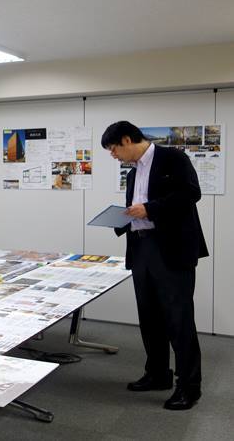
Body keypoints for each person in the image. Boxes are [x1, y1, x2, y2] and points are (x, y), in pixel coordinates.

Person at [102, 121, 208, 410]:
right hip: (142, 249)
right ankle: (158, 374)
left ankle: (189, 387)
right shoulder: (134, 173)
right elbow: (137, 209)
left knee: (179, 320)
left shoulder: (173, 158)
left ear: (126, 140)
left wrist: (150, 208)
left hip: (171, 251)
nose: (113, 155)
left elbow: (190, 194)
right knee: (150, 318)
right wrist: (122, 218)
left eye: (113, 149)